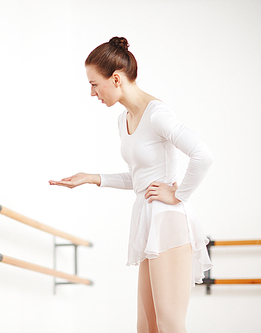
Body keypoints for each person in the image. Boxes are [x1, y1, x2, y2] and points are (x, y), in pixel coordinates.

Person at [49, 37, 213, 333]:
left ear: (115, 79)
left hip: (169, 222)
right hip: (149, 220)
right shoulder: (124, 120)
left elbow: (203, 154)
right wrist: (92, 178)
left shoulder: (158, 114)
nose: (91, 92)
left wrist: (178, 194)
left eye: (94, 84)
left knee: (169, 324)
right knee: (147, 327)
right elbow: (138, 179)